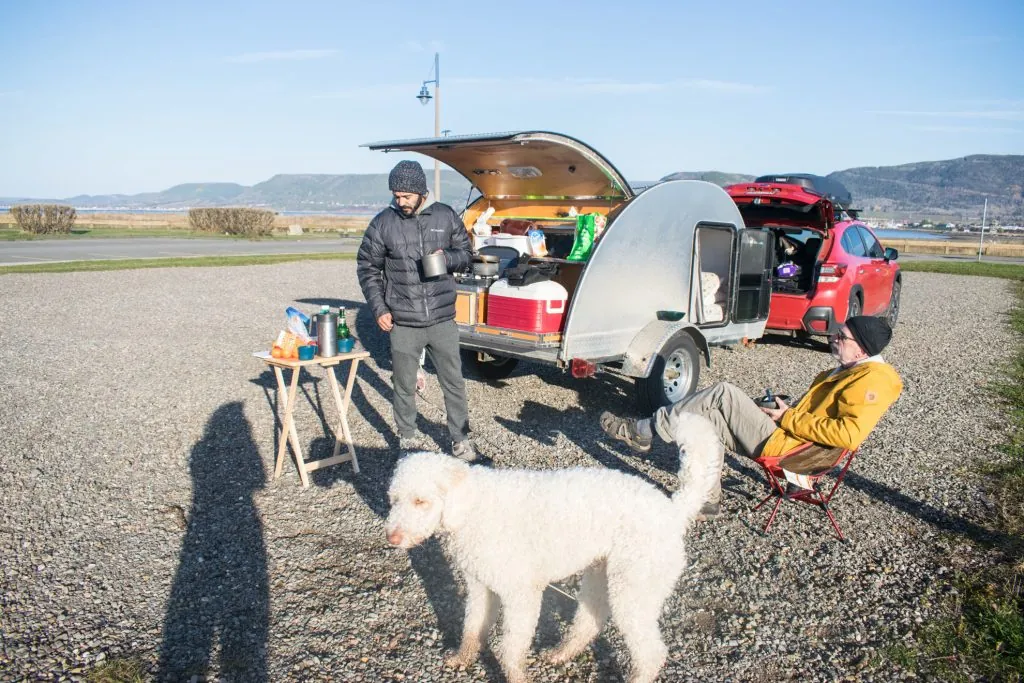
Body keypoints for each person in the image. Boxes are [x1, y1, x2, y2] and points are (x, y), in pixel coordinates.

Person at [600, 316, 903, 519]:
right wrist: (784, 408)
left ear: (862, 349)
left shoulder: (872, 381)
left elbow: (849, 435)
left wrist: (788, 417)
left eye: (843, 337)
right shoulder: (852, 368)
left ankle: (646, 430)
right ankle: (707, 498)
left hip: (792, 451)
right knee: (707, 419)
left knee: (723, 393)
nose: (835, 339)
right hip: (788, 436)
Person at [357, 160, 476, 460]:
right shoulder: (383, 223)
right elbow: (367, 267)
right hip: (403, 321)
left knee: (454, 382)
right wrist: (379, 308)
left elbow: (466, 254)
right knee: (403, 384)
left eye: (406, 196)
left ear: (421, 191)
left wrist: (447, 258)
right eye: (396, 196)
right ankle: (408, 439)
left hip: (442, 318)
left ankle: (461, 440)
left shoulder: (446, 215)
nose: (401, 202)